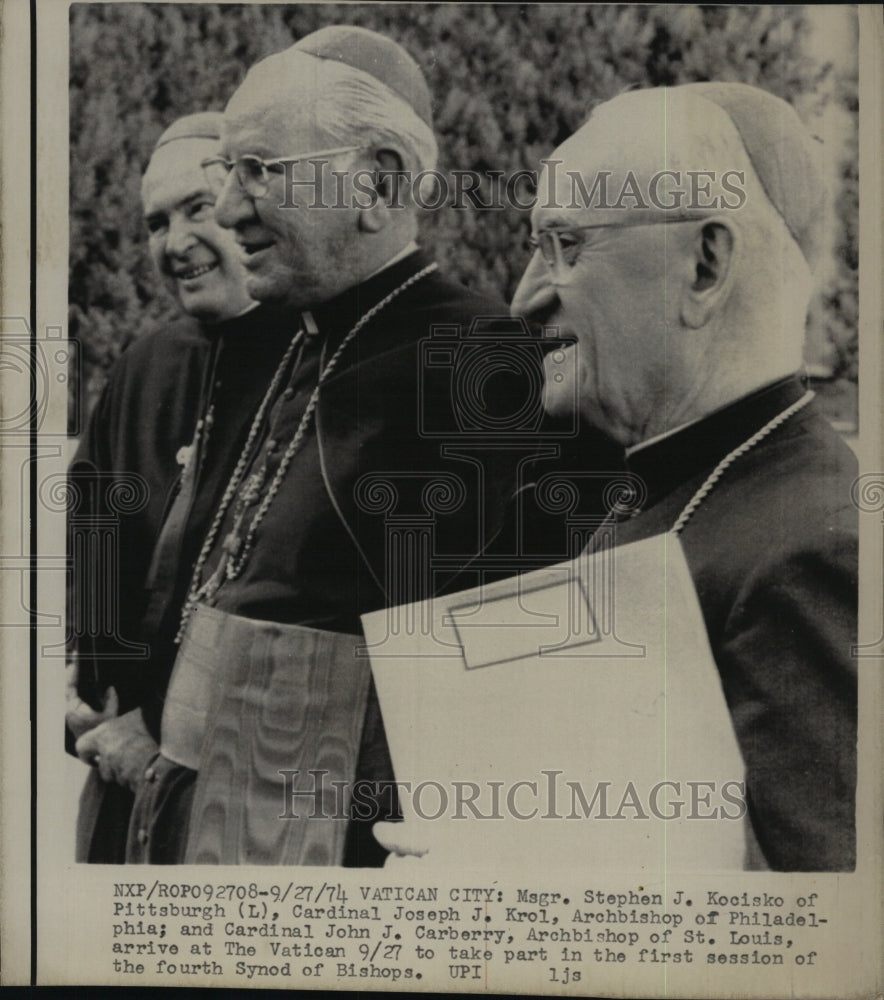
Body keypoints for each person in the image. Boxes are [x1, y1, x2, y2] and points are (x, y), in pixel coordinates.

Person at [123, 26, 596, 866]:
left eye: (261, 171)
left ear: (377, 184)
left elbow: (513, 686)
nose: (230, 209)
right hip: (220, 822)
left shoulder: (483, 364)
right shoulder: (293, 339)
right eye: (229, 172)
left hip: (328, 850)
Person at [507, 83, 857, 871]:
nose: (523, 297)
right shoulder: (672, 486)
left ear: (705, 264)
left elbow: (815, 940)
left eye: (565, 245)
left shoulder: (817, 552)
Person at [66, 111, 301, 862]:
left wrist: (162, 724)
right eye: (154, 222)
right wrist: (90, 684)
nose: (175, 244)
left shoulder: (319, 357)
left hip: (243, 797)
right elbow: (93, 515)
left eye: (197, 209)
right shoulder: (148, 363)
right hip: (117, 767)